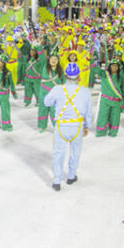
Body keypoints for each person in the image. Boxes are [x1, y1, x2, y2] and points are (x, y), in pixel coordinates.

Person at [44, 62, 92, 191]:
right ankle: (71, 176)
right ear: (78, 77)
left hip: (61, 125)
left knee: (58, 153)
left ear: (65, 76)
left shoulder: (57, 89)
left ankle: (57, 181)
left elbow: (46, 102)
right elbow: (88, 112)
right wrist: (87, 126)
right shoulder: (85, 91)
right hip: (77, 126)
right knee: (75, 152)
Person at [94, 58, 124, 138]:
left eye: (116, 66)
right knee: (103, 116)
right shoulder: (104, 74)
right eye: (112, 65)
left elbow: (123, 88)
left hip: (116, 101)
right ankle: (101, 131)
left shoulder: (120, 76)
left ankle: (113, 132)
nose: (114, 67)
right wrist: (91, 60)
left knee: (115, 117)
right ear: (110, 66)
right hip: (105, 100)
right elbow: (95, 69)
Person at [37, 54, 64, 132]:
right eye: (52, 58)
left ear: (58, 61)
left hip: (55, 94)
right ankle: (42, 126)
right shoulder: (44, 66)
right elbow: (41, 56)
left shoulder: (60, 70)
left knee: (54, 111)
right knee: (43, 109)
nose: (53, 60)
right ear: (48, 60)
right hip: (44, 92)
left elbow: (64, 82)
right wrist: (39, 46)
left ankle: (56, 126)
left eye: (56, 59)